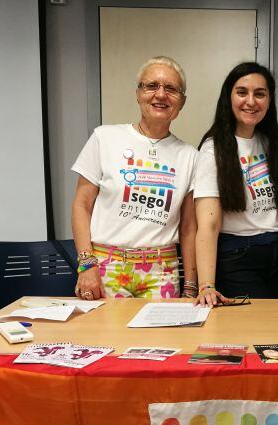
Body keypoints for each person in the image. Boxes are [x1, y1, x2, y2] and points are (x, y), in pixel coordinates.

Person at [71, 56, 199, 300]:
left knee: (163, 339)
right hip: (105, 267)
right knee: (105, 339)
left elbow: (189, 228)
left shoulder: (190, 156)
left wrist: (191, 286)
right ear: (138, 94)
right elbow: (81, 205)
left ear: (181, 102)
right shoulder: (104, 138)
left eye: (171, 89)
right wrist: (86, 265)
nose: (160, 95)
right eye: (151, 86)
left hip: (162, 271)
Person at [193, 62, 278, 307]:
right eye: (242, 92)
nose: (251, 101)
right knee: (253, 332)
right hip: (237, 256)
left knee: (275, 329)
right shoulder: (213, 149)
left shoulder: (273, 144)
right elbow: (208, 224)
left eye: (259, 94)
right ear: (228, 97)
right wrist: (206, 285)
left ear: (269, 101)